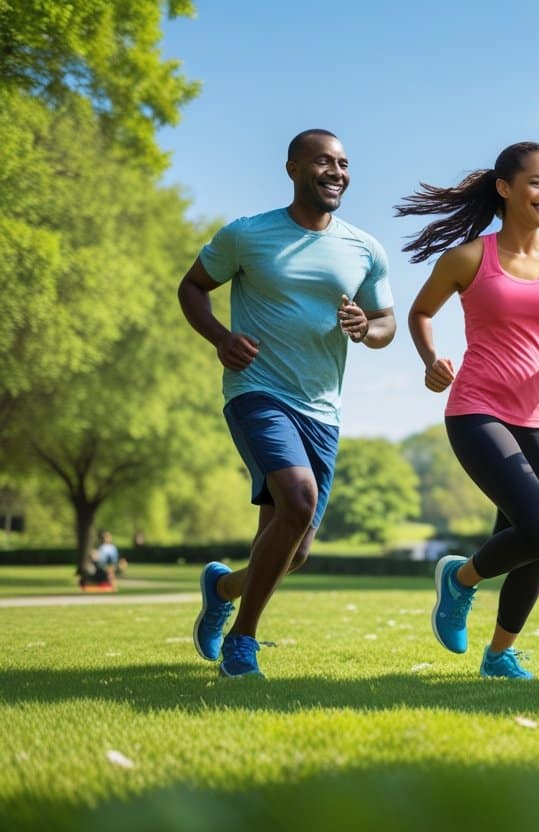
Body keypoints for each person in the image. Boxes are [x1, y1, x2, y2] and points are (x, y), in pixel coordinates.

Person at [177, 129, 396, 679]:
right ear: (294, 167)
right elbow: (193, 287)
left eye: (344, 163)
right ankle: (242, 642)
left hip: (322, 409)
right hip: (257, 392)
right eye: (324, 161)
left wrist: (366, 327)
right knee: (297, 501)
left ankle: (223, 588)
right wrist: (221, 337)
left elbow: (387, 324)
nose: (337, 172)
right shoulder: (247, 235)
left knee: (293, 550)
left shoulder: (363, 248)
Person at [397, 141, 539, 680]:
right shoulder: (470, 257)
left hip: (538, 417)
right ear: (505, 188)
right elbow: (421, 312)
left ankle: (498, 655)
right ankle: (461, 581)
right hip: (477, 410)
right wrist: (432, 359)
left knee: (532, 545)